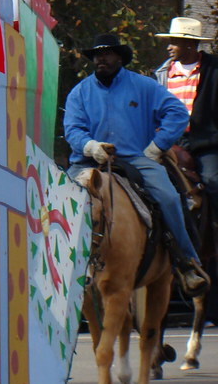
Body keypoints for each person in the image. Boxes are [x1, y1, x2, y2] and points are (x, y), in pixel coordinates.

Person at [64, 33, 209, 296]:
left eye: (107, 53)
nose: (101, 58)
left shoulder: (144, 86)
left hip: (135, 159)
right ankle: (53, 264)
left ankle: (186, 262)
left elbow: (176, 113)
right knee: (59, 201)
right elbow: (72, 129)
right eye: (98, 54)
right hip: (87, 162)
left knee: (168, 197)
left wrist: (157, 146)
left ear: (120, 57)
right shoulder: (80, 92)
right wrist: (91, 146)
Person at [154, 17, 218, 216]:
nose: (169, 47)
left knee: (212, 181)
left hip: (206, 142)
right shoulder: (162, 74)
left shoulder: (214, 70)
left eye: (174, 42)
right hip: (169, 140)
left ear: (190, 44)